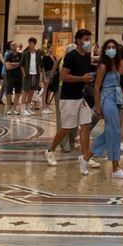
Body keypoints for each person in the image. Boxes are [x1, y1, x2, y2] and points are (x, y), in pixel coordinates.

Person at [45, 28, 95, 174]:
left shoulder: (87, 56)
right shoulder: (71, 56)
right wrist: (82, 78)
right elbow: (64, 76)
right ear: (78, 40)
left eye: (89, 39)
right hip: (69, 97)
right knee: (66, 128)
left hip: (82, 97)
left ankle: (85, 157)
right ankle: (50, 150)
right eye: (86, 39)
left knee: (85, 126)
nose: (88, 42)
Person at [91, 38, 123, 178]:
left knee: (112, 131)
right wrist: (97, 106)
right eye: (109, 47)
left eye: (114, 47)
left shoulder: (116, 65)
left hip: (116, 99)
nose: (111, 49)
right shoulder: (103, 66)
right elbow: (96, 88)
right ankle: (115, 168)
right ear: (105, 50)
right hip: (106, 99)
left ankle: (86, 157)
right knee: (114, 131)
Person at [19, 37, 43, 115]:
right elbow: (21, 65)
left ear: (35, 44)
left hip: (35, 75)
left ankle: (28, 108)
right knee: (25, 92)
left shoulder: (38, 54)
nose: (30, 44)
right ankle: (23, 109)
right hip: (27, 75)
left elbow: (39, 64)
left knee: (32, 92)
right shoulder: (25, 54)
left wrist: (39, 73)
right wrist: (24, 74)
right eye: (29, 43)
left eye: (32, 43)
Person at [3, 41, 23, 115]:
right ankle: (8, 108)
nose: (14, 46)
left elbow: (22, 65)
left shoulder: (21, 55)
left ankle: (14, 108)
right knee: (9, 92)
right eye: (12, 45)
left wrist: (13, 64)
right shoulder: (8, 56)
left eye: (15, 45)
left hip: (19, 76)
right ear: (10, 47)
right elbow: (7, 67)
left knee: (18, 93)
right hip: (10, 76)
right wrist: (18, 64)